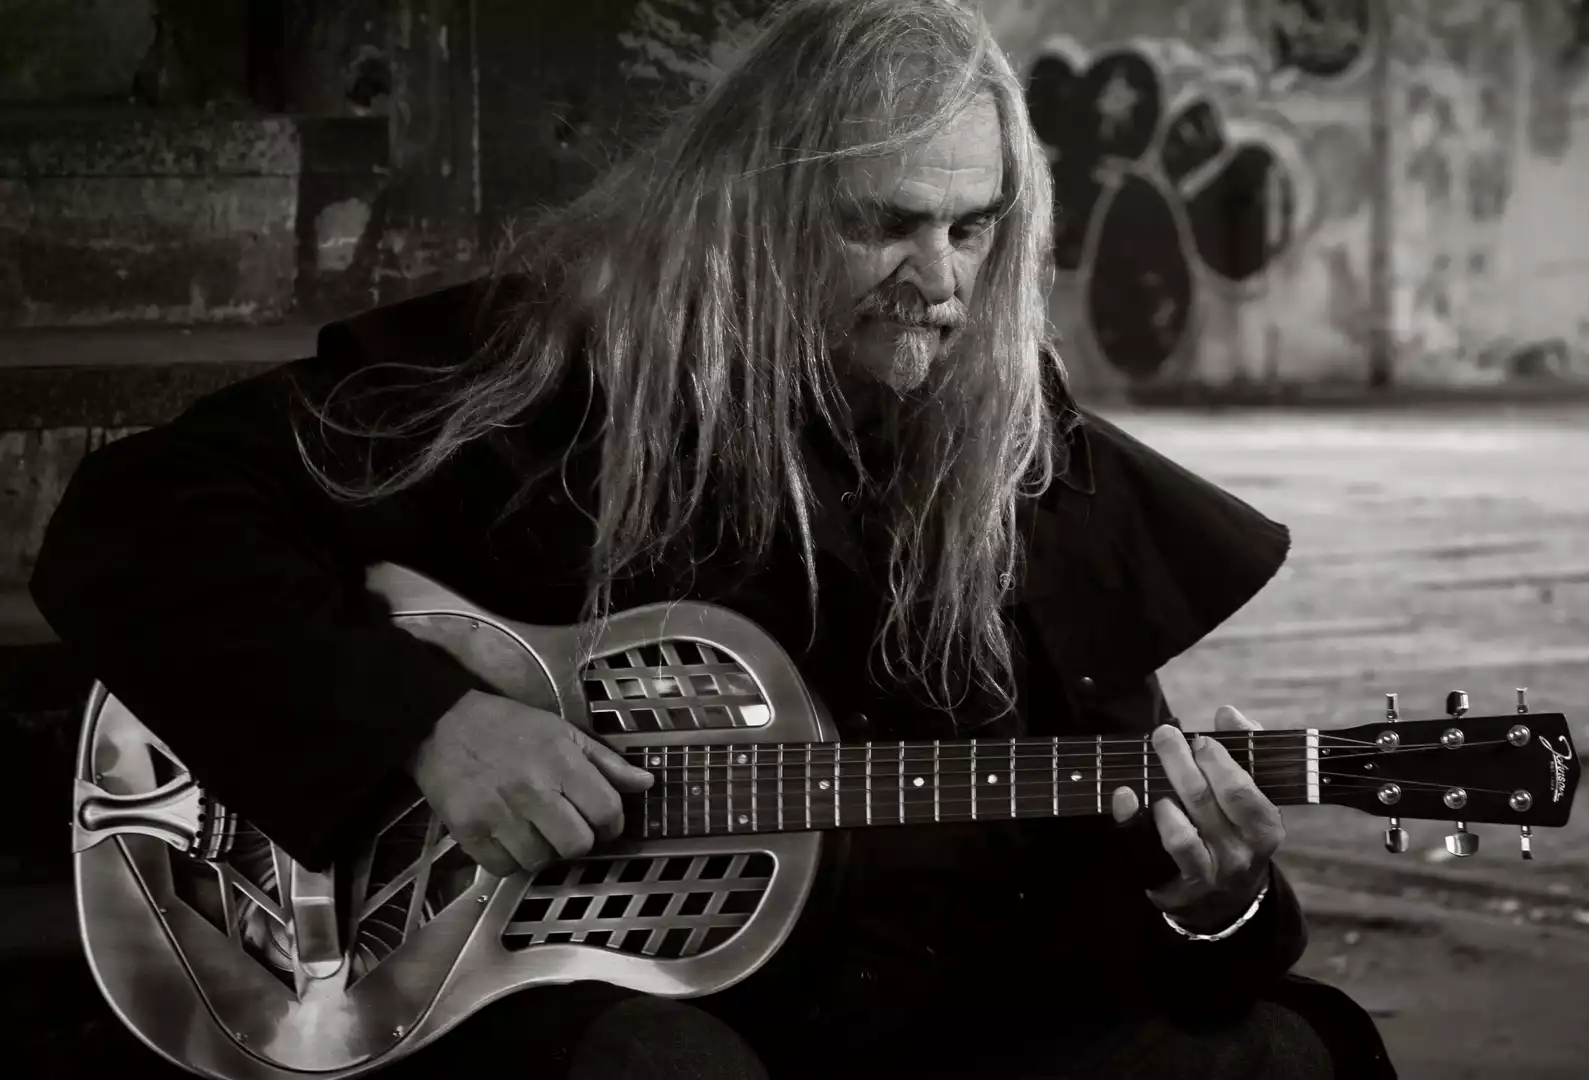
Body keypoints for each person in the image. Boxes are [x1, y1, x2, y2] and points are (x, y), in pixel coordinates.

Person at [32, 1, 1394, 1077]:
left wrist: (1209, 898)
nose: (940, 283)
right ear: (757, 206)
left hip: (934, 1014)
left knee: (1285, 1052)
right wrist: (431, 724)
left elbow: (1108, 802)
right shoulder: (543, 378)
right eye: (885, 225)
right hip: (579, 1002)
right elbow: (138, 519)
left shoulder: (1016, 451)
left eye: (975, 228)